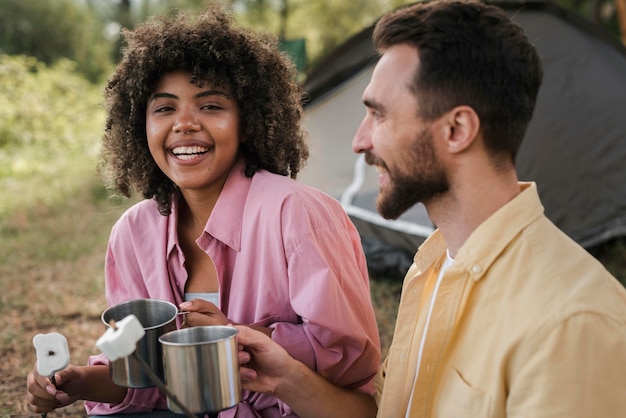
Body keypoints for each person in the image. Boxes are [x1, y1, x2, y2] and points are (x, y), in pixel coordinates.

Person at [233, 0, 626, 417]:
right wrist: (284, 378)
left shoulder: (570, 325)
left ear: (456, 130)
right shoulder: (433, 265)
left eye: (378, 116)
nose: (360, 141)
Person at [26, 3, 381, 417]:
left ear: (248, 120)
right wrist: (77, 382)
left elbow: (348, 368)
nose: (185, 124)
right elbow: (149, 379)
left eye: (210, 105)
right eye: (164, 108)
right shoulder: (133, 233)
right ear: (141, 125)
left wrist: (238, 337)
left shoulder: (298, 214)